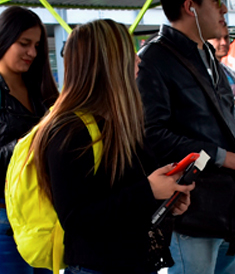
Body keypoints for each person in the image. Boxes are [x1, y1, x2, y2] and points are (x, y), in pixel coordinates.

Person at [33, 19, 195, 274]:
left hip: (136, 261)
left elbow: (125, 196)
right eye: (128, 52)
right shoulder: (68, 130)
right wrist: (149, 191)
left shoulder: (119, 119)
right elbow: (76, 218)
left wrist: (167, 200)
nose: (138, 60)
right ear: (107, 64)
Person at [137, 0, 235, 274]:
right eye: (216, 0)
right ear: (190, 6)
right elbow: (152, 135)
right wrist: (222, 156)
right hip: (191, 211)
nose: (224, 9)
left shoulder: (205, 54)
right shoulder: (154, 60)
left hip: (229, 205)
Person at [0, 6, 59, 274]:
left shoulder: (40, 89)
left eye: (37, 45)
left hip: (44, 214)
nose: (32, 52)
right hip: (2, 220)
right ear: (4, 39)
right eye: (24, 43)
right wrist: (27, 143)